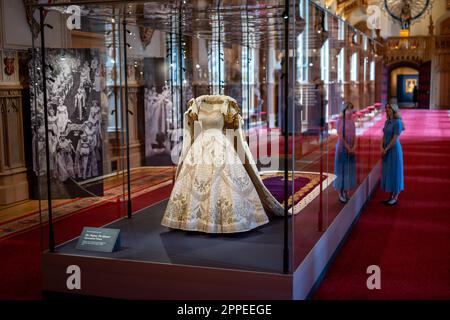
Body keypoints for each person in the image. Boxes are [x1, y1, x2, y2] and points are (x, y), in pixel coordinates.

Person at [381, 103, 405, 205]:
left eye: (389, 108)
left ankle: (395, 196)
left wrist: (386, 149)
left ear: (394, 109)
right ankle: (390, 196)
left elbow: (395, 139)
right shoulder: (387, 122)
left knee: (395, 172)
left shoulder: (398, 122)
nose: (387, 109)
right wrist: (381, 147)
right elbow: (383, 136)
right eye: (386, 108)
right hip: (386, 149)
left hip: (394, 150)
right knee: (389, 171)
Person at [334, 102, 357, 203]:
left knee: (349, 170)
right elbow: (340, 136)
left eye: (351, 109)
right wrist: (348, 147)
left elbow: (355, 135)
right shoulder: (340, 120)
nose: (351, 111)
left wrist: (354, 146)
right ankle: (340, 193)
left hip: (351, 149)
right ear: (344, 109)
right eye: (349, 109)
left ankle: (347, 192)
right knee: (341, 170)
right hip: (342, 149)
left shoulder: (352, 121)